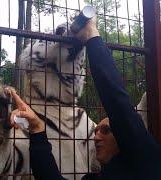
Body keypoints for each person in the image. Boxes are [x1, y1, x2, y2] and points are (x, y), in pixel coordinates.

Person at [8, 16, 161, 180]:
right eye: (96, 131)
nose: (95, 137)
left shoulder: (146, 159)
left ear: (124, 137)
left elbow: (120, 107)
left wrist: (92, 36)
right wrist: (37, 128)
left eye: (107, 130)